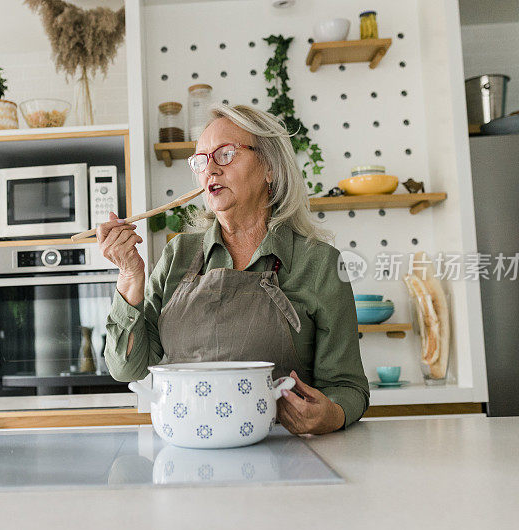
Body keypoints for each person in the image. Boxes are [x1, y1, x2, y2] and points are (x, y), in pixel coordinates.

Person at [96, 104, 368, 435]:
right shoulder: (177, 255)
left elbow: (348, 387)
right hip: (188, 448)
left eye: (225, 154)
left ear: (270, 167)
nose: (209, 168)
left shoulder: (319, 263)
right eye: (200, 160)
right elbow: (126, 368)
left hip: (285, 454)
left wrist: (333, 415)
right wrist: (130, 276)